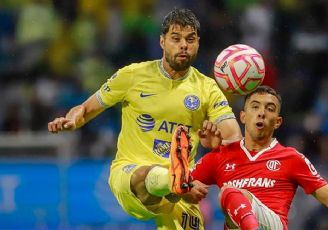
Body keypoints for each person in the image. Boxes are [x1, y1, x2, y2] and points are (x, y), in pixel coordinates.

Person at [47, 8, 242, 230]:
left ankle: (176, 182)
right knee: (146, 178)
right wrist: (72, 120)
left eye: (190, 39)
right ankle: (173, 181)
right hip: (130, 173)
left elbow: (233, 135)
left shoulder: (207, 89)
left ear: (198, 43)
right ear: (162, 41)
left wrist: (218, 143)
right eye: (175, 39)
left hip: (182, 189)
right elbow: (84, 109)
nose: (183, 45)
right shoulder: (132, 75)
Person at [188, 86, 328, 230]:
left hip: (273, 225)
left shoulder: (291, 157)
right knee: (228, 196)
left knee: (230, 193)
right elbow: (178, 187)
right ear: (243, 116)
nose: (262, 113)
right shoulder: (220, 156)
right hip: (236, 224)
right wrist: (188, 182)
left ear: (278, 122)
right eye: (255, 107)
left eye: (270, 108)